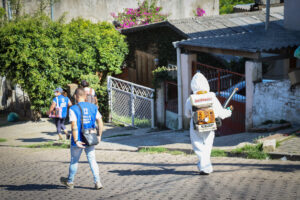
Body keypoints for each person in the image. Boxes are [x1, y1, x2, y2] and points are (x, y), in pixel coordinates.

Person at [185, 72, 232, 175]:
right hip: (210, 125)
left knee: (198, 146)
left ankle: (204, 166)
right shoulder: (212, 97)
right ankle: (205, 167)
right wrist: (229, 111)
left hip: (196, 126)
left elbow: (187, 115)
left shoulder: (190, 99)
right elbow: (221, 113)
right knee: (207, 145)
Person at [60, 87, 104, 190]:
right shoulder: (93, 107)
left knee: (74, 160)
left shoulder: (73, 109)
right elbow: (100, 122)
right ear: (85, 97)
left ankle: (70, 182)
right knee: (92, 160)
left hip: (78, 139)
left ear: (75, 96)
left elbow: (74, 126)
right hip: (90, 138)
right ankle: (97, 182)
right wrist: (99, 136)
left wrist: (76, 140)